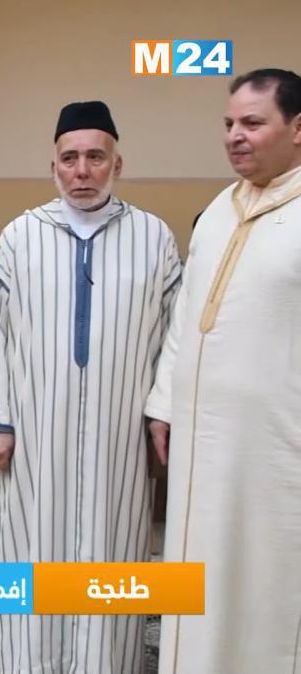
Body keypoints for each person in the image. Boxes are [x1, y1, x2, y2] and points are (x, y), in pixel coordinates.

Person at [0, 101, 182, 673]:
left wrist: (163, 414)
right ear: (53, 166)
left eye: (94, 157)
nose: (82, 170)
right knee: (30, 561)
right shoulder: (19, 237)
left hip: (120, 442)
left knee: (113, 563)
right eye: (70, 159)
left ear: (117, 163)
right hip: (33, 438)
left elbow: (175, 339)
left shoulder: (153, 238)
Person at [145, 68, 301, 674]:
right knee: (196, 572)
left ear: (297, 129)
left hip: (274, 449)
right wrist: (164, 401)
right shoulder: (217, 209)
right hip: (200, 443)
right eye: (229, 124)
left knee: (263, 582)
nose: (235, 136)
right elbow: (188, 313)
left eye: (253, 123)